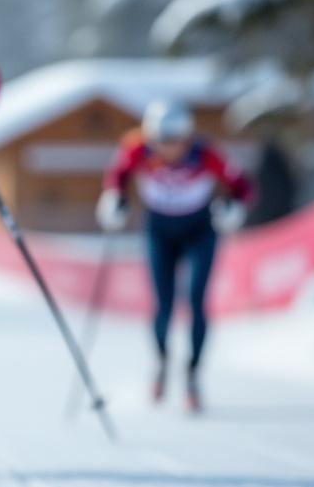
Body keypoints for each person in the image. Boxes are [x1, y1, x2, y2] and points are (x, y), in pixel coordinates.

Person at [96, 99, 253, 413]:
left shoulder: (205, 154)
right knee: (163, 302)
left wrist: (235, 207)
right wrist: (115, 199)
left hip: (199, 231)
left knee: (196, 299)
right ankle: (162, 362)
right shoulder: (137, 148)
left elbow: (243, 185)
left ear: (187, 137)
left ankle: (193, 374)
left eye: (174, 141)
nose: (168, 149)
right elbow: (117, 175)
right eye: (161, 141)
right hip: (160, 231)